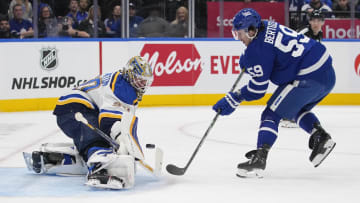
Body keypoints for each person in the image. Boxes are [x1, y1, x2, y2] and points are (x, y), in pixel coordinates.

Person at [212, 8, 336, 178]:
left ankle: (259, 159)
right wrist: (252, 64)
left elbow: (258, 90)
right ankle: (321, 137)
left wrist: (234, 97)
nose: (239, 38)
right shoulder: (268, 25)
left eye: (240, 34)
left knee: (271, 113)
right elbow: (273, 58)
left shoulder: (256, 51)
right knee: (292, 108)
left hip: (308, 75)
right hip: (327, 74)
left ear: (251, 30)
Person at [23, 56, 154, 189]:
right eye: (139, 80)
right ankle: (98, 171)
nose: (143, 84)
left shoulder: (123, 82)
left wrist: (129, 147)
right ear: (129, 74)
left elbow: (122, 122)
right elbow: (109, 121)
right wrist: (123, 141)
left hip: (72, 109)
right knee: (98, 141)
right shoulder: (122, 88)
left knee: (100, 145)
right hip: (75, 109)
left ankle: (52, 158)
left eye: (145, 81)